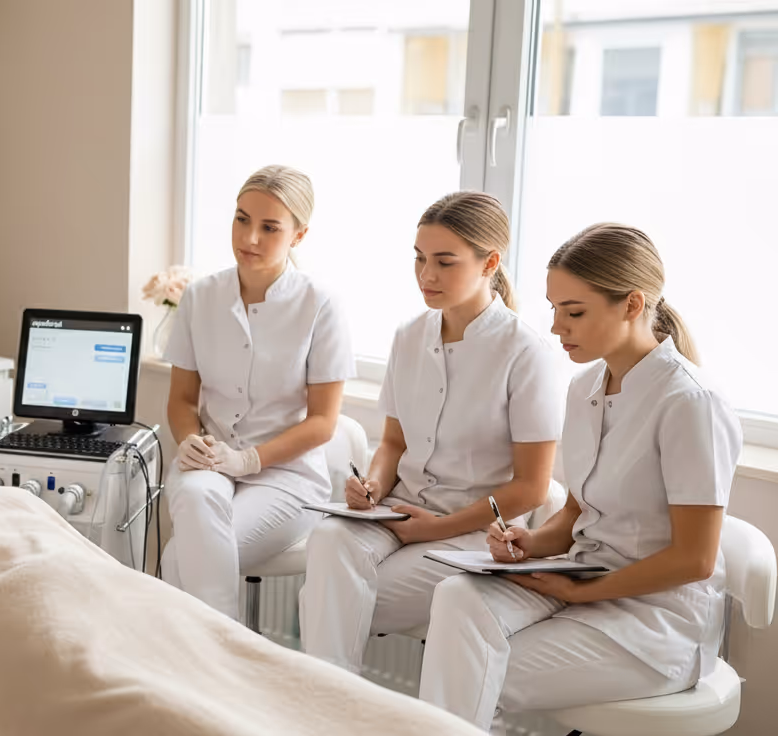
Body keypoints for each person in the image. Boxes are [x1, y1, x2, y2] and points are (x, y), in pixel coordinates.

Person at [0, 425, 479, 736]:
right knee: (156, 707)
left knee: (258, 674)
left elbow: (88, 565)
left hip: (120, 604)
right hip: (21, 632)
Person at [418, 223, 742, 732]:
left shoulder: (690, 403)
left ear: (632, 305)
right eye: (553, 309)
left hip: (654, 621)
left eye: (574, 312)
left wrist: (583, 593)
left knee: (467, 672)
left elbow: (695, 559)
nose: (556, 327)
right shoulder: (585, 386)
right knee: (457, 596)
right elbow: (577, 510)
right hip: (584, 576)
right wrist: (530, 543)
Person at [298, 191, 563, 672]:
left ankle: (323, 701)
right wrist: (374, 483)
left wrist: (436, 528)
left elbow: (532, 487)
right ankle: (329, 702)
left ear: (490, 263)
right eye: (419, 258)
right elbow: (393, 443)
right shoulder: (409, 336)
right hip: (398, 512)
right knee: (329, 540)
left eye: (444, 261)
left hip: (472, 531)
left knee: (329, 601)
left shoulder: (526, 353)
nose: (427, 275)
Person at [158, 164, 354, 618]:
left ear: (299, 235)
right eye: (242, 219)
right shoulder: (200, 297)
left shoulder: (320, 304)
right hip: (209, 459)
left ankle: (209, 652)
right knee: (196, 498)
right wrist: (190, 440)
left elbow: (323, 422)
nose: (249, 238)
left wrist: (248, 460)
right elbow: (182, 400)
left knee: (179, 560)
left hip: (286, 476)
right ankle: (225, 653)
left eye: (270, 227)